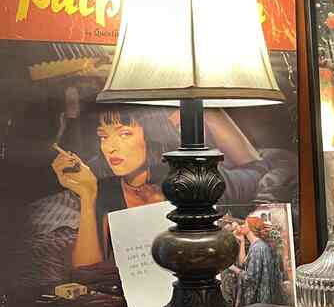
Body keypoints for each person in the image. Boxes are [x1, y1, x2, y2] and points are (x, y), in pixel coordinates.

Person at [47, 106, 270, 272]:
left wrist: (205, 107)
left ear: (153, 134)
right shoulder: (105, 191)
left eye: (124, 133)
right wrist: (88, 196)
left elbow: (258, 170)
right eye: (104, 137)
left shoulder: (193, 182)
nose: (110, 147)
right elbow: (85, 271)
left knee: (258, 169)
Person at [220, 216, 282, 307]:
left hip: (259, 300)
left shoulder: (257, 248)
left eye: (245, 224)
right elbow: (243, 263)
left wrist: (233, 268)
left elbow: (250, 278)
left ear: (251, 228)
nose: (242, 226)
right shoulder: (257, 245)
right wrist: (242, 242)